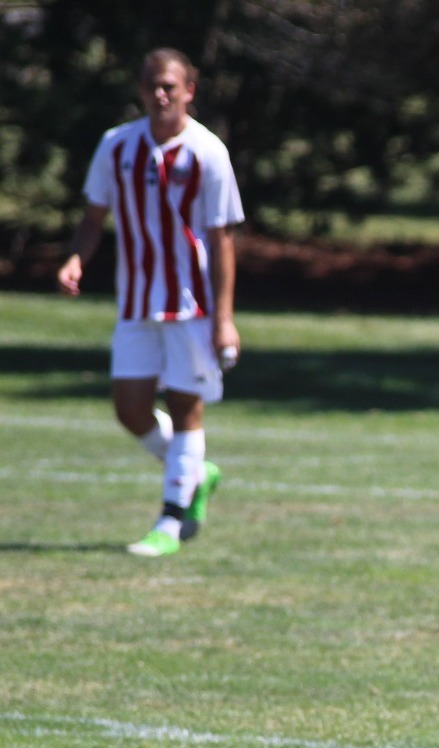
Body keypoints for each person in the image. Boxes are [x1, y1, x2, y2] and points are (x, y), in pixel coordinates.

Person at [56, 47, 244, 557]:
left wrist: (224, 319)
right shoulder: (117, 145)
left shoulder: (208, 152)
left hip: (192, 304)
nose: (160, 95)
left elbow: (223, 238)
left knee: (186, 406)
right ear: (141, 91)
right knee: (130, 408)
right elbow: (94, 216)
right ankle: (193, 474)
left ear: (190, 90)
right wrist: (77, 259)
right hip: (137, 300)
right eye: (151, 86)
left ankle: (171, 521)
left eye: (169, 86)